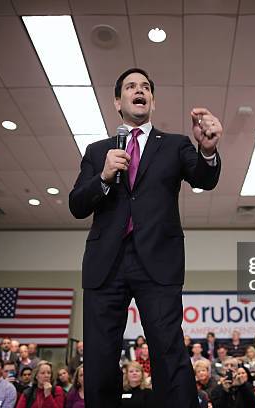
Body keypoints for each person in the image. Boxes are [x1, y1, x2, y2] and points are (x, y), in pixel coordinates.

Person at [69, 67, 221, 408]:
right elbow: (76, 204)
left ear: (151, 100)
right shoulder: (98, 152)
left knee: (169, 353)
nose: (139, 90)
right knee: (99, 358)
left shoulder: (176, 145)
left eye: (145, 87)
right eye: (131, 86)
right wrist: (104, 177)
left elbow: (203, 178)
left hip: (158, 264)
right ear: (117, 102)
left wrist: (207, 150)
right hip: (105, 265)